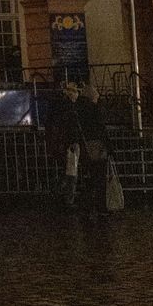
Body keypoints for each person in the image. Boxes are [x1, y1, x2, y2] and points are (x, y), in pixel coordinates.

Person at [77, 84, 112, 216]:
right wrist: (109, 146)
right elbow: (101, 127)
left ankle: (87, 206)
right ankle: (101, 207)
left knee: (89, 178)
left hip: (86, 146)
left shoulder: (79, 110)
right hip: (97, 145)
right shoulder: (95, 109)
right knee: (100, 178)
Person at [52, 81, 84, 208]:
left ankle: (61, 193)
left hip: (68, 142)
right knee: (71, 172)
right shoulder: (70, 109)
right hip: (71, 143)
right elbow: (71, 128)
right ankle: (67, 198)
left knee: (68, 171)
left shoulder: (63, 108)